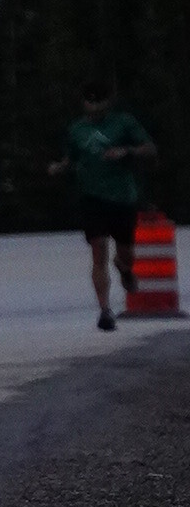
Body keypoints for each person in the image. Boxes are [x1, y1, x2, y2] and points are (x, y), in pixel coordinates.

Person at [48, 80, 159, 330]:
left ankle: (124, 268)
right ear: (83, 103)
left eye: (99, 101)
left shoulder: (123, 123)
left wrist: (126, 152)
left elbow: (150, 148)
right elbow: (71, 158)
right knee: (98, 250)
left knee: (126, 252)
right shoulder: (77, 130)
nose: (95, 107)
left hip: (122, 197)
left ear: (108, 102)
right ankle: (104, 310)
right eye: (90, 101)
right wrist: (59, 167)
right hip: (92, 197)